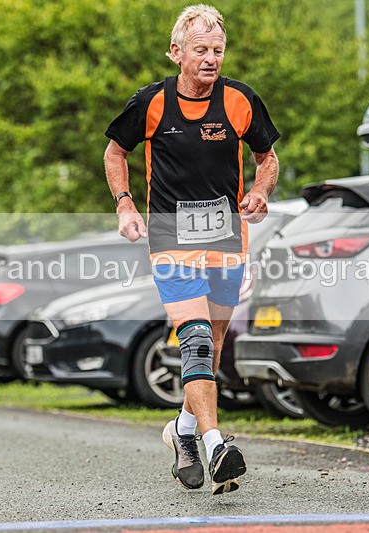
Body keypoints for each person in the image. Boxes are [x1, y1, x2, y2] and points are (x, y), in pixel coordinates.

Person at [104, 4, 279, 495]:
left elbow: (268, 157)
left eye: (217, 50)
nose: (211, 58)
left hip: (227, 239)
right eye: (200, 50)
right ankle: (216, 444)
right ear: (177, 52)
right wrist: (125, 204)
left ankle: (181, 430)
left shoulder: (241, 100)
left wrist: (262, 190)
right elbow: (115, 151)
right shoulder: (153, 101)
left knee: (214, 348)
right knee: (197, 339)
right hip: (171, 238)